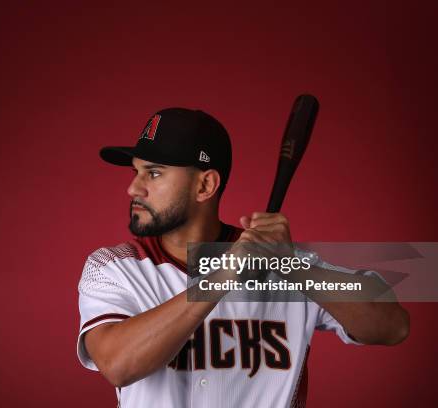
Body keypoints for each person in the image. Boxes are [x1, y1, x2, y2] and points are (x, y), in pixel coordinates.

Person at [76, 108, 409, 407]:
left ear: (205, 185)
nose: (134, 188)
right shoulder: (114, 266)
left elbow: (392, 326)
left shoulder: (285, 263)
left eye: (154, 172)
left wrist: (291, 267)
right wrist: (223, 275)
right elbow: (118, 365)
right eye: (135, 172)